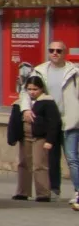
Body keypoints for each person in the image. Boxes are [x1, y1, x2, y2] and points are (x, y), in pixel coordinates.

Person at [36, 41, 77, 207]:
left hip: (70, 120)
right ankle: (54, 189)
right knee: (51, 158)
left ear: (64, 53)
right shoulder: (40, 71)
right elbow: (26, 91)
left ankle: (78, 191)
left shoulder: (74, 72)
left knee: (72, 157)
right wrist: (25, 109)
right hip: (50, 122)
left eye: (58, 51)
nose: (55, 53)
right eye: (51, 50)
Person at [10, 73, 61, 202]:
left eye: (35, 89)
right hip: (25, 137)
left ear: (41, 89)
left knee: (40, 164)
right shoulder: (21, 103)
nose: (32, 92)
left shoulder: (47, 101)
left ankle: (43, 193)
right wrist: (12, 137)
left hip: (40, 137)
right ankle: (22, 191)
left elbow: (53, 122)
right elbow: (14, 120)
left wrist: (50, 140)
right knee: (23, 164)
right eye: (29, 89)